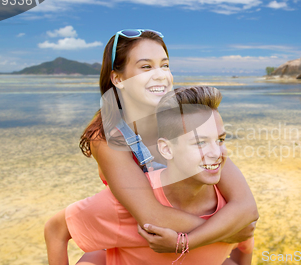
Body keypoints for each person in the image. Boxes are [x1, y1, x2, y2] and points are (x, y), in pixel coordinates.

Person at [44, 29, 258, 263]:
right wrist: (229, 232)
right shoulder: (106, 137)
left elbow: (244, 203)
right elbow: (151, 216)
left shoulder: (181, 115)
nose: (160, 75)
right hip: (130, 234)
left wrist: (202, 238)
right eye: (146, 67)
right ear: (118, 79)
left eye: (164, 66)